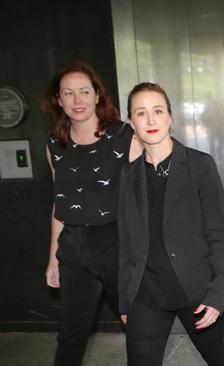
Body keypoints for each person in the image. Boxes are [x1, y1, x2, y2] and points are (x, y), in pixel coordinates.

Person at [118, 82, 224, 366]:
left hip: (195, 287)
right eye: (140, 113)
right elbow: (126, 240)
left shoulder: (199, 165)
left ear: (170, 116)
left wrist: (218, 292)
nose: (150, 120)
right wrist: (125, 297)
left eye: (157, 111)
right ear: (130, 122)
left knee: (215, 355)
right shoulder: (129, 175)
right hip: (146, 291)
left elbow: (219, 234)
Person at [42, 60, 139, 366]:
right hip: (74, 250)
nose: (77, 99)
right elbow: (60, 202)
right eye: (68, 93)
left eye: (84, 91)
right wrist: (53, 258)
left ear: (98, 94)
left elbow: (143, 197)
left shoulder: (125, 136)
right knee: (70, 336)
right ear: (58, 100)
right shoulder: (54, 144)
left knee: (139, 328)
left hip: (116, 245)